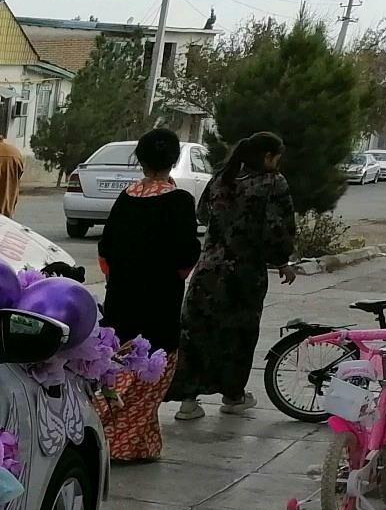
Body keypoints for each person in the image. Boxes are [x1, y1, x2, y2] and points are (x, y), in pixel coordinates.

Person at [169, 131, 297, 418]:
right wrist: (282, 262)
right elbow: (278, 228)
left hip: (208, 271)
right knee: (238, 335)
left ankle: (188, 401)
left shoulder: (221, 179)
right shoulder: (272, 183)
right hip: (244, 275)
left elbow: (202, 214)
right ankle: (233, 396)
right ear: (267, 157)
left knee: (195, 332)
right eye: (277, 157)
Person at [95, 128, 200, 461]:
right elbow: (187, 257)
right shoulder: (180, 201)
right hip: (160, 305)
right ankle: (117, 446)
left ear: (139, 159)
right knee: (148, 376)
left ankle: (141, 446)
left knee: (120, 367)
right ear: (174, 160)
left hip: (120, 302)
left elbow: (105, 252)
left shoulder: (125, 198)